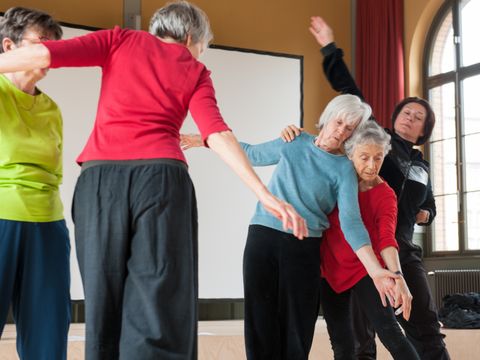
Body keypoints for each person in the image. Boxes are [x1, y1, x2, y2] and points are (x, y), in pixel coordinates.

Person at [0, 2, 309, 359]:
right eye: (202, 48)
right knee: (159, 305)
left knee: (103, 302)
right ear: (192, 38)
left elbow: (43, 54)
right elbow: (217, 134)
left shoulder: (120, 40)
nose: (199, 55)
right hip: (161, 180)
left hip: (100, 181)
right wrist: (264, 193)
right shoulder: (195, 70)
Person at [181, 94, 405, 360]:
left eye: (350, 128)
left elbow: (352, 223)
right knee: (260, 320)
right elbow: (251, 153)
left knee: (297, 327)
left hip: (304, 247)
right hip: (263, 238)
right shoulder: (294, 141)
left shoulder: (344, 168)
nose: (341, 131)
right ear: (328, 117)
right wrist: (203, 140)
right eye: (339, 122)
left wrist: (377, 270)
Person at [281, 15, 450, 360]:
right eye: (406, 111)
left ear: (424, 131)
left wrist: (426, 212)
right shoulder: (379, 144)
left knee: (425, 325)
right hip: (362, 252)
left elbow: (430, 205)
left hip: (401, 246)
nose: (410, 117)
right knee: (361, 339)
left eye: (419, 117)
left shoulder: (421, 166)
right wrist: (329, 46)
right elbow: (350, 92)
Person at [0, 7, 70, 360]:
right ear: (9, 46)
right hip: (2, 220)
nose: (50, 51)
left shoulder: (52, 109)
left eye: (54, 44)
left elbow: (55, 172)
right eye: (41, 43)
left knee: (48, 337)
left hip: (48, 225)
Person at [318, 120, 419, 360]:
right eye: (364, 157)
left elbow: (386, 238)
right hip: (329, 268)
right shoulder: (337, 179)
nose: (372, 166)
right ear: (350, 153)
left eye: (378, 157)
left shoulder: (385, 194)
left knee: (390, 333)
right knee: (341, 344)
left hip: (368, 268)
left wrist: (398, 276)